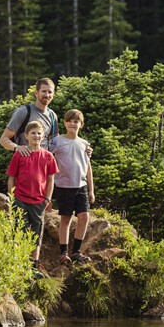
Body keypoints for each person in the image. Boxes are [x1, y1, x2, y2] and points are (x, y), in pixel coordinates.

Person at [6, 120, 59, 277]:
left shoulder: (48, 156)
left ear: (43, 137)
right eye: (33, 133)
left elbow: (50, 180)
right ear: (26, 136)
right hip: (20, 199)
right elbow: (11, 178)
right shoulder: (19, 154)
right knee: (19, 231)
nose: (36, 135)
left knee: (36, 233)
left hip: (38, 201)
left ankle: (33, 266)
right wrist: (12, 197)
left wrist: (47, 199)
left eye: (39, 133)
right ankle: (17, 264)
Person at [51, 109, 95, 264]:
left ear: (81, 125)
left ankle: (76, 251)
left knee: (84, 216)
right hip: (63, 185)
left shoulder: (84, 144)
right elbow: (46, 157)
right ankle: (63, 252)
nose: (72, 124)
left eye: (76, 121)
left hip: (81, 185)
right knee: (66, 218)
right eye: (69, 121)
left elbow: (88, 166)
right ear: (64, 123)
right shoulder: (57, 141)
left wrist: (91, 189)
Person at [0, 77, 57, 156]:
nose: (47, 95)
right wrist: (17, 148)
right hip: (25, 162)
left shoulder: (52, 115)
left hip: (44, 164)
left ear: (53, 94)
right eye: (43, 91)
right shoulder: (23, 112)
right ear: (36, 93)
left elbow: (54, 143)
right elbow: (3, 139)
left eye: (50, 92)